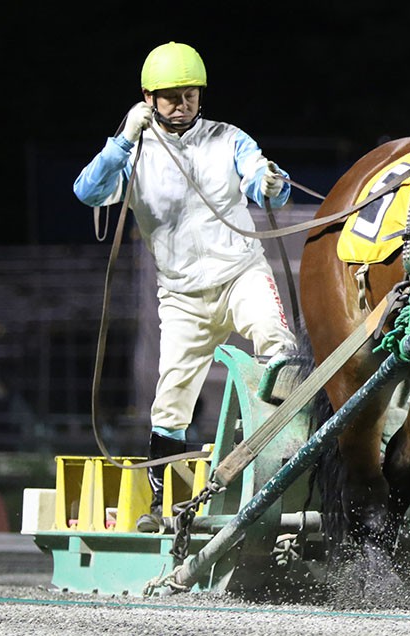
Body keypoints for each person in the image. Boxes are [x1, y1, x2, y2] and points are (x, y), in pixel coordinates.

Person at [73, 42, 296, 532]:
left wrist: (270, 184)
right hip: (181, 299)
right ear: (147, 99)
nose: (182, 104)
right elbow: (86, 191)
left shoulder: (228, 138)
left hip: (242, 275)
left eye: (190, 94)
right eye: (170, 96)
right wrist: (123, 139)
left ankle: (286, 474)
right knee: (169, 402)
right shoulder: (133, 155)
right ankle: (163, 508)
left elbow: (258, 177)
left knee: (281, 348)